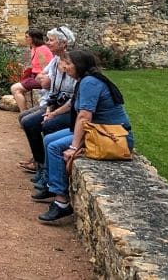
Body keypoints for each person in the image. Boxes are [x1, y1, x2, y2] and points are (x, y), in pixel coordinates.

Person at [35, 48, 134, 224]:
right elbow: (73, 104)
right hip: (99, 130)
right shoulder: (85, 80)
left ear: (79, 65)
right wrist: (54, 114)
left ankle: (61, 202)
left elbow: (84, 116)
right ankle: (52, 185)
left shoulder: (89, 82)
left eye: (69, 63)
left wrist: (74, 147)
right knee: (49, 138)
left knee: (55, 146)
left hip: (111, 135)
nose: (64, 67)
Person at [19, 27, 78, 193]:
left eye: (51, 40)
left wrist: (52, 113)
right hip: (56, 105)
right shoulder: (56, 60)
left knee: (40, 124)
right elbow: (43, 79)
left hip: (69, 110)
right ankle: (40, 164)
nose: (47, 42)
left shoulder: (72, 63)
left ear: (63, 42)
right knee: (25, 119)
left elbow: (74, 97)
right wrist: (50, 108)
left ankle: (45, 170)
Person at [10, 29, 53, 111]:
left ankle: (23, 112)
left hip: (41, 78)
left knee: (15, 88)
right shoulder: (34, 48)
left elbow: (46, 69)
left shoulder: (41, 49)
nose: (25, 39)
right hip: (35, 76)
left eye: (27, 37)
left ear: (33, 38)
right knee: (17, 86)